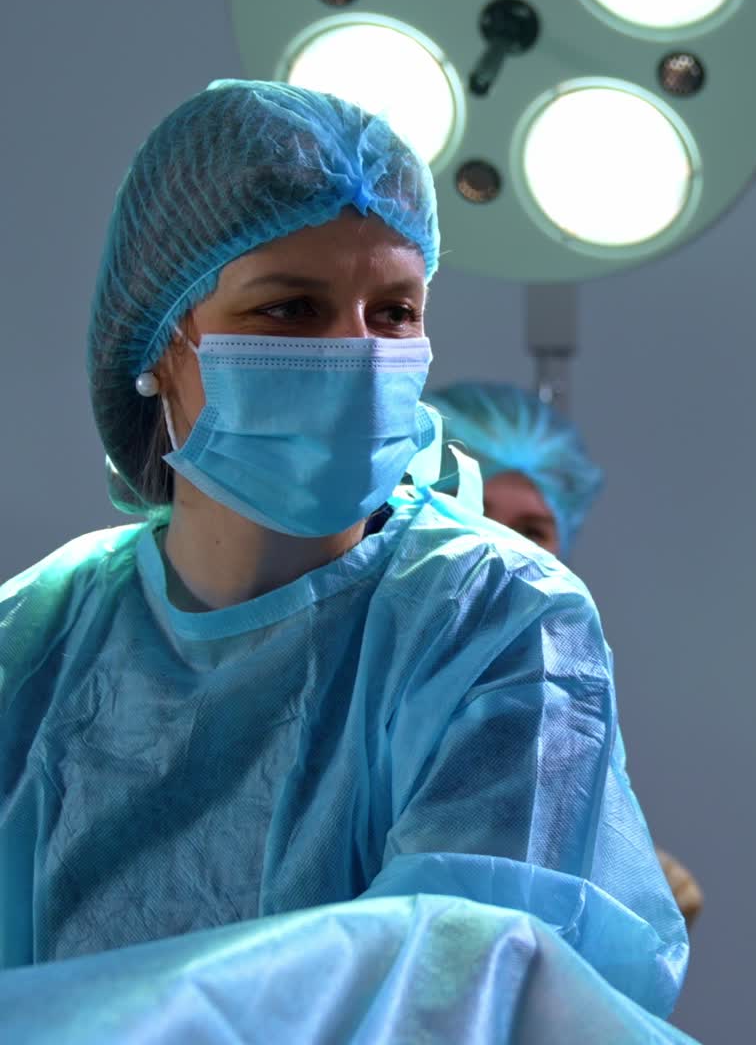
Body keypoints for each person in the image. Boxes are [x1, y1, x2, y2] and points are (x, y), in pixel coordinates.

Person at [0, 81, 692, 1042]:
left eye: (395, 312)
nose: (358, 355)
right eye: (292, 309)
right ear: (161, 341)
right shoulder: (37, 638)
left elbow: (456, 992)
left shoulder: (495, 620)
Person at [424, 382, 705, 928]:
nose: (504, 549)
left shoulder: (565, 679)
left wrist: (627, 877)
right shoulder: (365, 660)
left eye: (533, 530)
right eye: (476, 511)